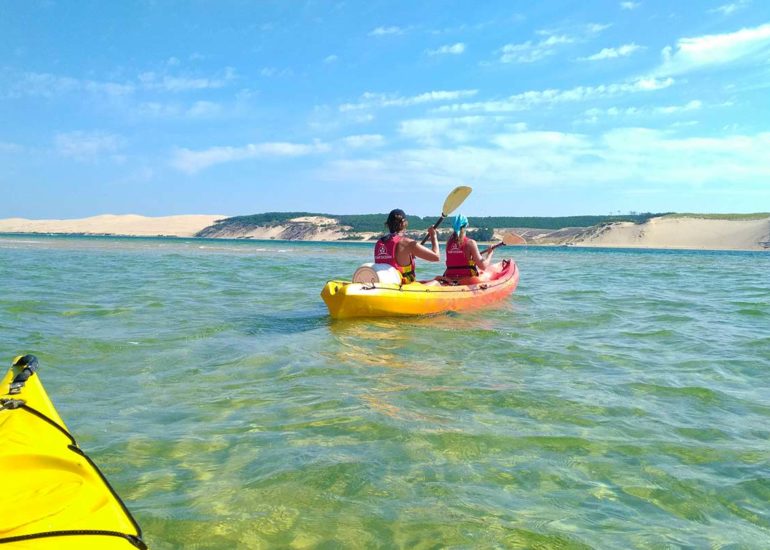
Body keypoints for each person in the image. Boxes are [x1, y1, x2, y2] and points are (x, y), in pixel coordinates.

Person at [374, 209, 440, 284]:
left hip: (387, 287)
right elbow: (436, 257)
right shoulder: (407, 243)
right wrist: (433, 236)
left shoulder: (379, 243)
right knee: (437, 282)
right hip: (404, 288)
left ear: (388, 224)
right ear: (403, 223)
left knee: (433, 280)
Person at [443, 214, 493, 279]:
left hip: (449, 278)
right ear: (466, 225)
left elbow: (457, 260)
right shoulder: (471, 243)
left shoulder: (448, 243)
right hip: (466, 280)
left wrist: (471, 259)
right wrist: (489, 254)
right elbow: (483, 266)